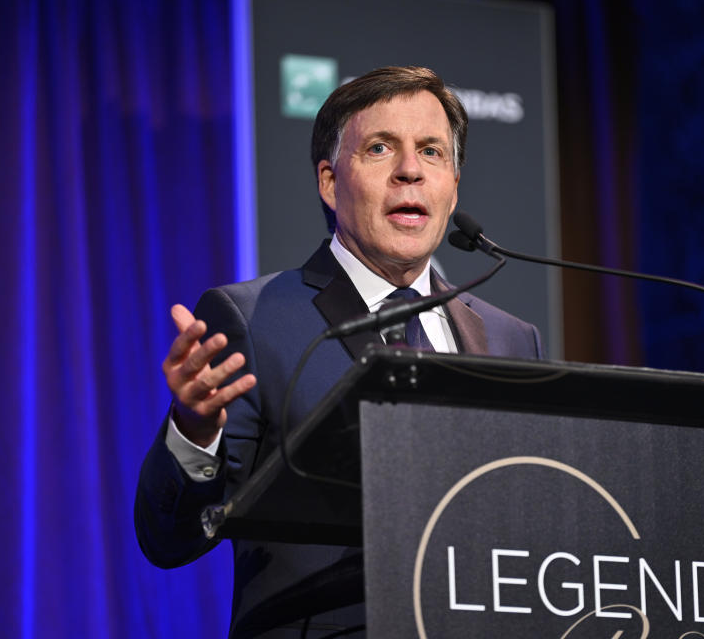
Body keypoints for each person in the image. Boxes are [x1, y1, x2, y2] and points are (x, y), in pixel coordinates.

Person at [134, 66, 543, 638]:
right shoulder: (252, 320)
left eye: (431, 152)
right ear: (330, 182)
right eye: (380, 148)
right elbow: (171, 538)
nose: (410, 171)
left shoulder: (511, 339)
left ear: (453, 187)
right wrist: (194, 431)